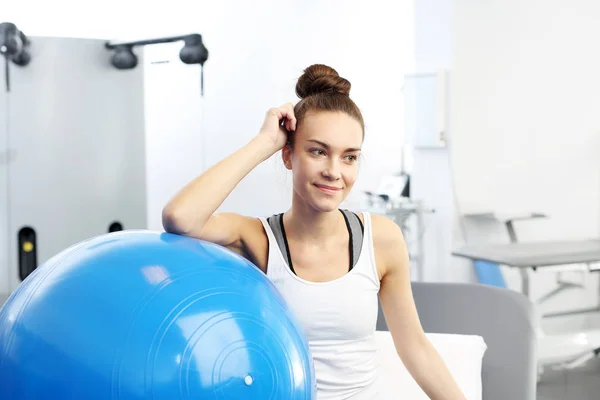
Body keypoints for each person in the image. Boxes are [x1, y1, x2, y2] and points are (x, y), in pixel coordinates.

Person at [162, 64, 466, 400]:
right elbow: (180, 217)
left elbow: (415, 348)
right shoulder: (257, 238)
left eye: (349, 157)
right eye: (318, 151)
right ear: (288, 155)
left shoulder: (382, 238)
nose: (334, 172)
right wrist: (264, 142)